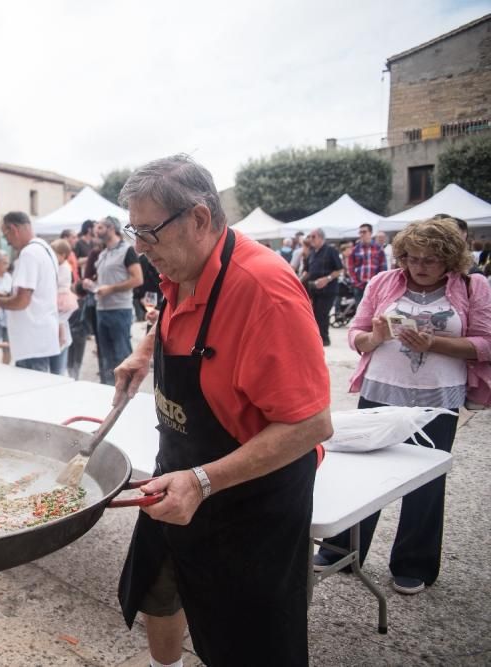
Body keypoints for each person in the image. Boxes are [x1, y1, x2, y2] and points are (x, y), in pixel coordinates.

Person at [113, 155, 332, 667]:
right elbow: (173, 314)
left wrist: (205, 482)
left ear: (199, 219)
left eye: (149, 232)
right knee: (157, 585)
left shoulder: (264, 292)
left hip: (252, 496)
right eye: (134, 231)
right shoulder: (181, 264)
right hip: (180, 466)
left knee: (247, 635)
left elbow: (311, 423)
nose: (140, 248)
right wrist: (145, 351)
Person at [314, 216, 491, 593]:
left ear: (450, 259)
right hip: (381, 391)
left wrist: (435, 345)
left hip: (437, 400)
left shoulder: (473, 287)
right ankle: (341, 551)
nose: (419, 266)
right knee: (360, 476)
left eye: (430, 260)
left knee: (425, 480)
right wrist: (374, 338)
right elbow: (357, 336)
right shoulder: (382, 282)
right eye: (412, 257)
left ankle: (414, 563)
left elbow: (485, 344)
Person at [0, 211, 59, 372]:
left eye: (5, 235)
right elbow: (35, 292)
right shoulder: (45, 248)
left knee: (34, 393)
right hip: (41, 337)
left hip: (31, 341)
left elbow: (21, 301)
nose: (7, 242)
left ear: (13, 229)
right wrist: (2, 296)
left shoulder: (29, 253)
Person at [87, 216, 142, 385]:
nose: (96, 230)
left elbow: (138, 279)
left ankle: (127, 393)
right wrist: (92, 284)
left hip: (120, 310)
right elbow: (104, 282)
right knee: (105, 356)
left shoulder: (127, 250)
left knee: (121, 355)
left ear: (111, 228)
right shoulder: (103, 253)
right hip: (101, 309)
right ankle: (108, 392)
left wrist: (110, 289)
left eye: (100, 227)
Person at [300, 228, 344, 345]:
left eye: (313, 237)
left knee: (322, 314)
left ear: (320, 237)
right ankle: (317, 338)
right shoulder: (313, 252)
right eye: (310, 237)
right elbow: (307, 270)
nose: (311, 239)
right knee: (314, 314)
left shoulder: (331, 250)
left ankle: (324, 339)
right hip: (313, 288)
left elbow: (340, 269)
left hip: (328, 289)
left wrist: (327, 279)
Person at [51, 238, 79, 376]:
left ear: (63, 255)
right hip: (60, 294)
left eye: (54, 254)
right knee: (59, 318)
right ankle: (61, 335)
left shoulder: (65, 267)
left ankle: (61, 336)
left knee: (60, 318)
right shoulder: (59, 265)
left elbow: (60, 282)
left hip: (62, 294)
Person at [349, 223, 387, 310]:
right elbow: (351, 268)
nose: (361, 234)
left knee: (375, 312)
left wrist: (380, 284)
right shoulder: (355, 250)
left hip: (374, 287)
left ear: (370, 233)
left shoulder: (378, 249)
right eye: (360, 232)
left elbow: (383, 269)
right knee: (360, 313)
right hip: (360, 287)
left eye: (364, 232)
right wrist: (356, 283)